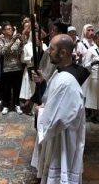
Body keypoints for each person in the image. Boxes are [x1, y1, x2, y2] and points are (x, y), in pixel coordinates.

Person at [31, 34, 86, 184]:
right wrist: (43, 82)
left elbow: (59, 117)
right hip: (58, 134)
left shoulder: (66, 80)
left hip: (63, 136)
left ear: (63, 53)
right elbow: (53, 97)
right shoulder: (60, 71)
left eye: (52, 48)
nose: (48, 51)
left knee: (61, 172)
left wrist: (40, 111)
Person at [0, 22, 24, 115]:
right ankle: (6, 105)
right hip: (6, 68)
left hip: (17, 67)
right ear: (3, 31)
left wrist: (22, 42)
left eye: (11, 29)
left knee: (17, 88)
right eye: (7, 29)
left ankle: (17, 104)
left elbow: (21, 51)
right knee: (6, 88)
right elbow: (3, 52)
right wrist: (12, 41)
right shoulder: (1, 40)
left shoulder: (17, 40)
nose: (10, 30)